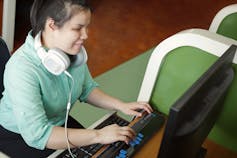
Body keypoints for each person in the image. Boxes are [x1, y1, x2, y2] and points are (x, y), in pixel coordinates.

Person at [0, 0, 152, 157]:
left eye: (86, 27)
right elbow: (38, 134)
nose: (85, 35)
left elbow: (86, 88)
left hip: (57, 122)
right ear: (52, 25)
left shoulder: (70, 52)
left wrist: (121, 105)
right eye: (78, 28)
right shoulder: (21, 69)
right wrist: (98, 135)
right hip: (20, 135)